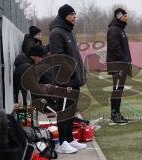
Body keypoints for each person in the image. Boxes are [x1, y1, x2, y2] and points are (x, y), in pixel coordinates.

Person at [49, 4, 86, 154]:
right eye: (72, 14)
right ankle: (62, 142)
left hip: (74, 78)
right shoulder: (56, 32)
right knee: (64, 111)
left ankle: (69, 139)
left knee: (71, 111)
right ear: (64, 15)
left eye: (75, 13)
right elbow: (59, 58)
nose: (74, 16)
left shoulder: (68, 31)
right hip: (65, 80)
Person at [107, 8, 132, 125]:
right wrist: (124, 60)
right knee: (117, 90)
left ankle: (117, 113)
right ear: (119, 16)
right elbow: (114, 48)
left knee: (119, 90)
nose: (127, 17)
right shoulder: (114, 30)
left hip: (121, 64)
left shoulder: (120, 29)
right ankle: (114, 115)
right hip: (118, 65)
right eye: (125, 15)